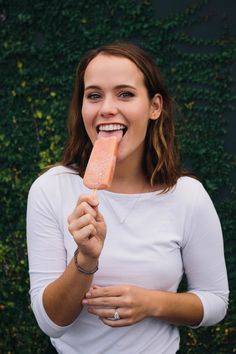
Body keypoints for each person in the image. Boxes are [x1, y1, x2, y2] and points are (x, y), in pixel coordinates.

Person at [26, 42, 229, 354]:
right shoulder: (51, 189)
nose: (107, 108)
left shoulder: (187, 196)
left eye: (125, 94)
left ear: (154, 106)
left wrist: (151, 302)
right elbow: (51, 323)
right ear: (82, 108)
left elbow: (215, 301)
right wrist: (85, 260)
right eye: (94, 95)